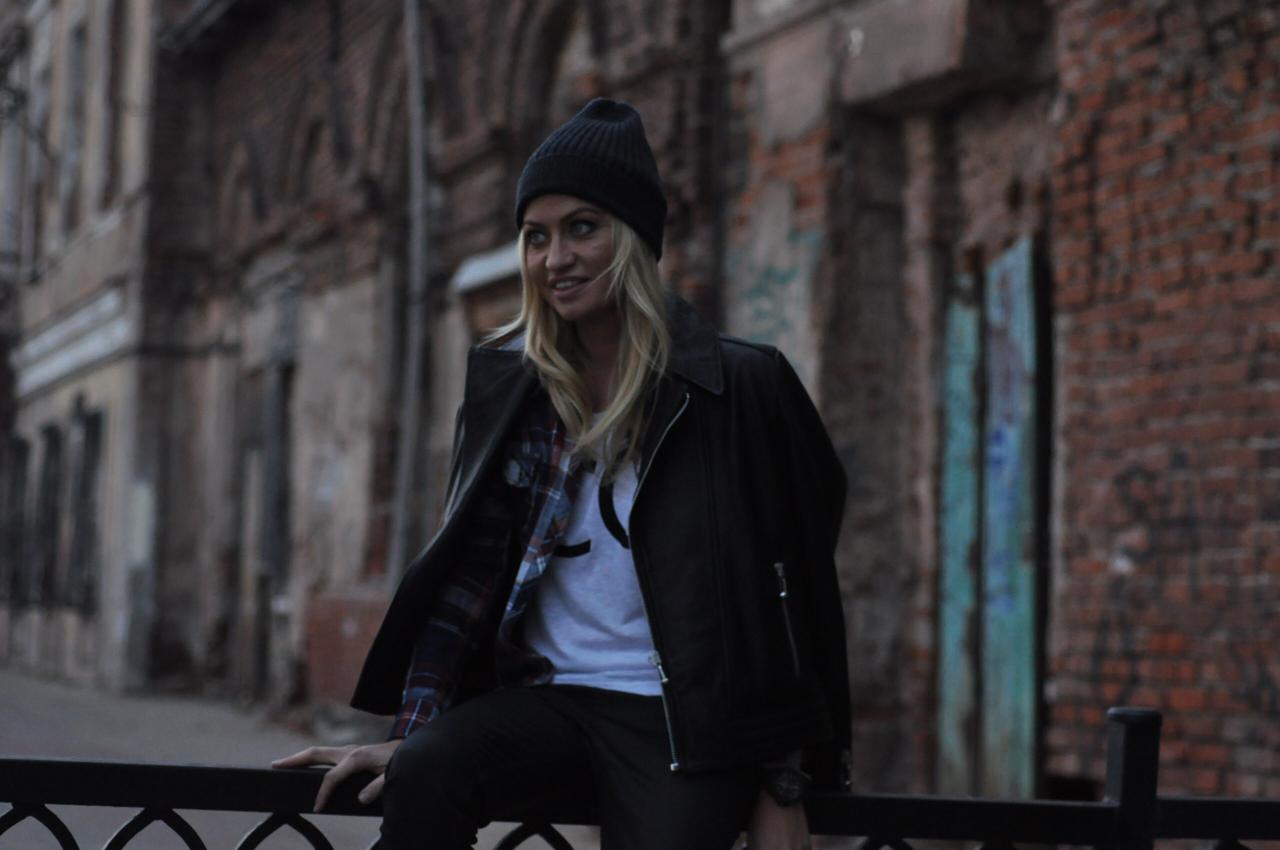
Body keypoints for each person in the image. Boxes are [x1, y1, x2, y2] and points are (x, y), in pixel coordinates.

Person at [274, 98, 850, 850]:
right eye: (536, 236)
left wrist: (783, 777)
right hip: (546, 698)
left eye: (583, 228)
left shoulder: (737, 387)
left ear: (633, 238)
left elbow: (788, 596)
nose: (555, 259)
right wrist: (415, 737)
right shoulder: (510, 389)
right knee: (426, 773)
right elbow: (466, 581)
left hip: (684, 721)